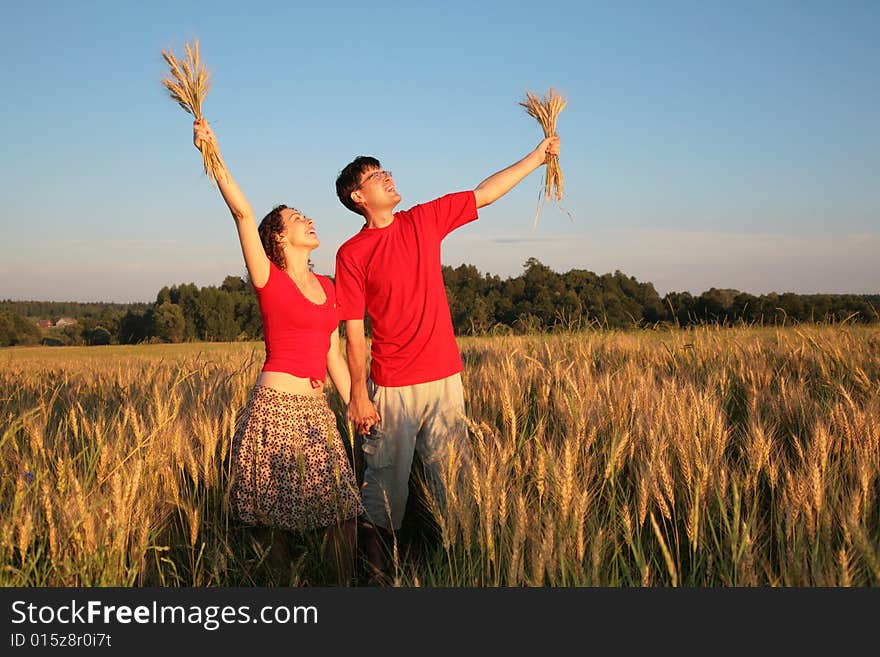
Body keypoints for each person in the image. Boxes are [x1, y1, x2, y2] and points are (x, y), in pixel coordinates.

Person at [333, 134, 561, 575]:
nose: (389, 177)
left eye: (387, 171)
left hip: (444, 381)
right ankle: (376, 579)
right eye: (377, 176)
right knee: (383, 494)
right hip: (393, 388)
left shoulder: (423, 220)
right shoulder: (352, 253)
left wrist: (537, 157)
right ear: (358, 197)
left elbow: (485, 193)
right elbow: (354, 333)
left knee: (454, 486)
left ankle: (456, 570)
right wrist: (358, 395)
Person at [192, 118, 364, 585]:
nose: (309, 220)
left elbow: (332, 353)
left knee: (343, 514)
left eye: (306, 215)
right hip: (274, 410)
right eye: (297, 218)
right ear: (279, 239)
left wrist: (355, 405)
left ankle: (344, 589)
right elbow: (244, 215)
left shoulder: (327, 286)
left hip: (316, 413)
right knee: (274, 531)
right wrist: (214, 154)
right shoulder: (270, 280)